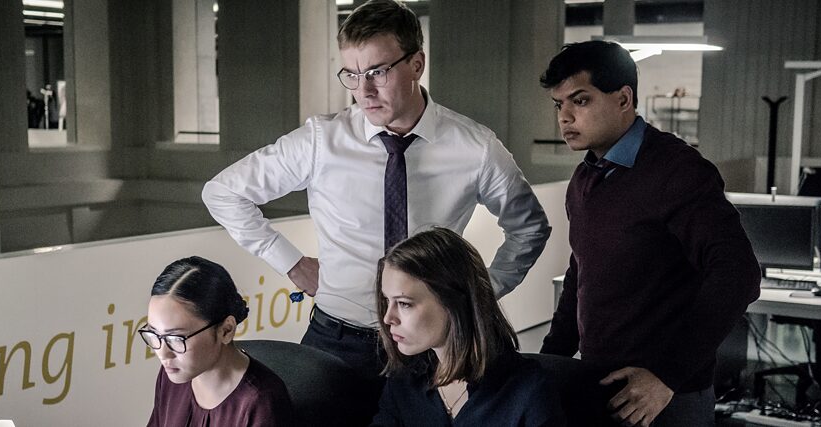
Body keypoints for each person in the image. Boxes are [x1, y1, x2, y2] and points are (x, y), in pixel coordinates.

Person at [202, 0, 550, 418]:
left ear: (417, 64)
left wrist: (480, 294)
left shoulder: (474, 147)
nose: (363, 91)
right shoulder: (321, 141)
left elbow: (529, 227)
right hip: (338, 339)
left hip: (432, 344)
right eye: (351, 74)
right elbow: (223, 192)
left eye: (378, 72)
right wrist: (290, 262)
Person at [538, 40, 761, 427]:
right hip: (601, 384)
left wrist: (667, 376)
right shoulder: (586, 177)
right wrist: (548, 362)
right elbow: (581, 272)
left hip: (665, 396)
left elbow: (738, 273)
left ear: (623, 99)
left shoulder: (678, 171)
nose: (565, 117)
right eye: (560, 105)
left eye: (581, 101)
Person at [371, 227, 563, 426]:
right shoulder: (404, 382)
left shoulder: (529, 391)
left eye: (404, 303)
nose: (387, 318)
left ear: (454, 303)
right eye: (387, 301)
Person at [142, 256, 293, 427]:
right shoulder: (173, 374)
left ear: (226, 330)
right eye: (154, 334)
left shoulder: (261, 402)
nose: (163, 353)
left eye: (176, 338)